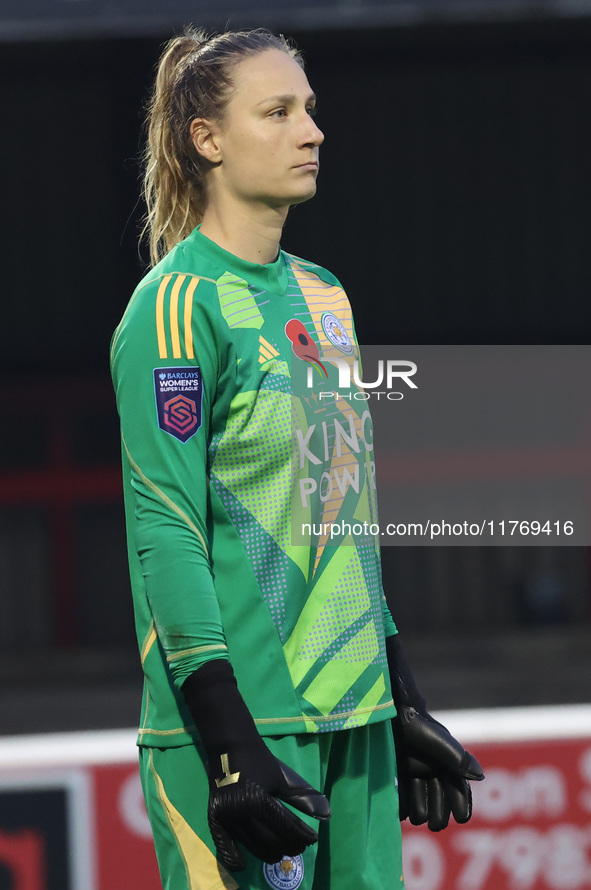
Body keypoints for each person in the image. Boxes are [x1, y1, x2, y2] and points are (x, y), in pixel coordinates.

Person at [110, 27, 483, 890]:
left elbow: (338, 514)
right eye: (276, 112)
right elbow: (164, 534)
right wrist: (227, 737)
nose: (311, 131)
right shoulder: (173, 308)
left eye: (309, 110)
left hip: (356, 722)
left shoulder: (323, 296)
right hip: (241, 730)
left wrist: (401, 692)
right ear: (206, 140)